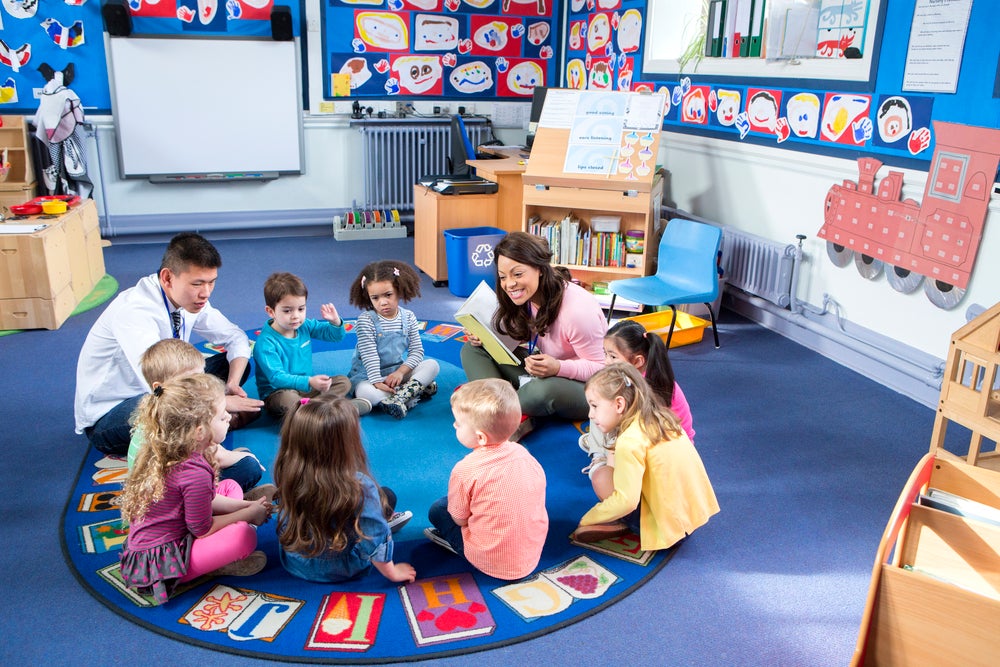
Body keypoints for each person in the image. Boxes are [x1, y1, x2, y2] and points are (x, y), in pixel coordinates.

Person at [74, 232, 263, 455]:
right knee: (172, 408)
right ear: (167, 278)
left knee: (231, 364)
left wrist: (231, 384)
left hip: (166, 386)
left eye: (212, 282)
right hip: (113, 413)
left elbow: (235, 337)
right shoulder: (135, 312)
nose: (206, 293)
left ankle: (206, 423)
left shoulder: (189, 298)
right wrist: (220, 401)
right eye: (197, 283)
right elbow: (160, 387)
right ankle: (211, 423)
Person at [118, 374, 271, 605]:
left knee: (229, 486)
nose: (229, 417)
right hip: (162, 564)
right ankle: (220, 564)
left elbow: (208, 501)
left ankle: (242, 513)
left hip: (167, 538)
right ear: (199, 431)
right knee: (243, 536)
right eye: (221, 416)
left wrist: (245, 506)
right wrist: (247, 514)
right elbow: (203, 530)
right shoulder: (193, 472)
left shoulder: (180, 449)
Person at [460, 232, 606, 431]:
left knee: (541, 391)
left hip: (587, 388)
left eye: (517, 274)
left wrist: (558, 368)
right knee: (473, 350)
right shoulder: (526, 297)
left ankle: (492, 408)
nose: (509, 284)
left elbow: (601, 369)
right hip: (542, 369)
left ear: (539, 269)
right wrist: (484, 335)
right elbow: (522, 334)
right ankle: (503, 408)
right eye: (503, 277)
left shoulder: (577, 312)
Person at [571, 364, 719, 548]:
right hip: (693, 515)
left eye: (594, 406)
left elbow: (626, 501)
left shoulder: (629, 441)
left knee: (602, 476)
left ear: (619, 404)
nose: (590, 414)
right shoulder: (660, 417)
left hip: (668, 528)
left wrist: (588, 518)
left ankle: (625, 523)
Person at [273, 395, 415, 583]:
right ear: (344, 443)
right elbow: (373, 534)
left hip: (296, 560)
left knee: (384, 496)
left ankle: (381, 518)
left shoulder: (289, 468)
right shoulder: (359, 484)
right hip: (340, 565)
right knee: (384, 499)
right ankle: (385, 521)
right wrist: (392, 572)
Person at [426, 379, 548, 581]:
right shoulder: (526, 455)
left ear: (481, 438)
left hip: (491, 559)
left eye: (459, 423)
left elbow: (460, 519)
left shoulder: (465, 470)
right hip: (531, 552)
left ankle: (461, 548)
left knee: (438, 509)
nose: (454, 425)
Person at [127, 339, 265, 494]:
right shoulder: (182, 419)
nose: (200, 384)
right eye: (190, 380)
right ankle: (230, 501)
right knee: (248, 466)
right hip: (171, 501)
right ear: (159, 386)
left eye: (201, 376)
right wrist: (248, 458)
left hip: (157, 492)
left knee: (239, 455)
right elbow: (220, 457)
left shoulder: (159, 408)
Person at [579, 319, 696, 498]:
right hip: (678, 456)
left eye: (613, 356)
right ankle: (599, 450)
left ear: (638, 361)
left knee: (601, 413)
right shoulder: (650, 375)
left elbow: (628, 436)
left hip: (660, 463)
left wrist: (610, 465)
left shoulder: (638, 390)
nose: (606, 362)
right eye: (606, 354)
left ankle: (598, 456)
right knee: (600, 409)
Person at [253, 272, 371, 420]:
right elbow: (277, 378)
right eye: (287, 310)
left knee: (343, 382)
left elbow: (335, 336)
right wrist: (309, 381)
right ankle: (338, 411)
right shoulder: (266, 343)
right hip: (279, 393)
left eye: (301, 309)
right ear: (271, 311)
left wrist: (335, 322)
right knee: (289, 400)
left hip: (306, 389)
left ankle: (313, 412)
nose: (296, 316)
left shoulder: (303, 325)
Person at [347, 261, 439, 419]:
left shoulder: (408, 317)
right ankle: (411, 392)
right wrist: (377, 382)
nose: (382, 302)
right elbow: (370, 356)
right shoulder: (366, 320)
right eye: (375, 298)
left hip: (396, 374)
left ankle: (398, 398)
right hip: (368, 376)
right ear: (369, 298)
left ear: (399, 291)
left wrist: (400, 372)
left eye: (388, 295)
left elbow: (417, 351)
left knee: (432, 365)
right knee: (364, 392)